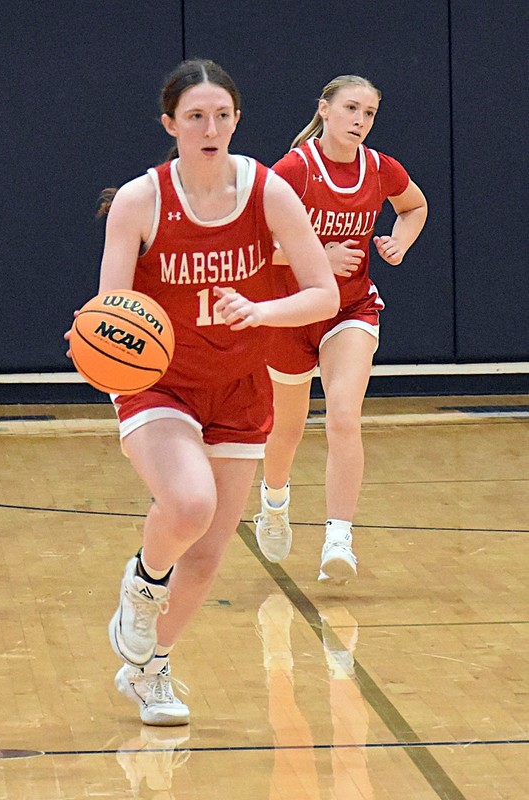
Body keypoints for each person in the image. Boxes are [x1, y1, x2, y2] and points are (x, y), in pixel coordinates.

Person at [67, 59, 339, 727]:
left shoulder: (268, 191)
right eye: (195, 116)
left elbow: (322, 293)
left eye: (221, 114)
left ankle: (150, 670)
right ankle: (141, 583)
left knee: (211, 553)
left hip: (241, 385)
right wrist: (97, 338)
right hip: (159, 382)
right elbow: (111, 302)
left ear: (237, 120)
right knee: (188, 504)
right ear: (171, 124)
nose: (209, 126)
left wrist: (260, 311)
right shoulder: (140, 200)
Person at [254, 74, 428, 582]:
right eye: (351, 108)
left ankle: (339, 538)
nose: (361, 120)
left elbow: (414, 205)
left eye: (370, 113)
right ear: (325, 110)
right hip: (291, 311)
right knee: (285, 429)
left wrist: (400, 240)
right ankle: (275, 501)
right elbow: (255, 244)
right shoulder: (294, 168)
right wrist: (317, 257)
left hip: (350, 311)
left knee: (344, 417)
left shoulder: (380, 168)